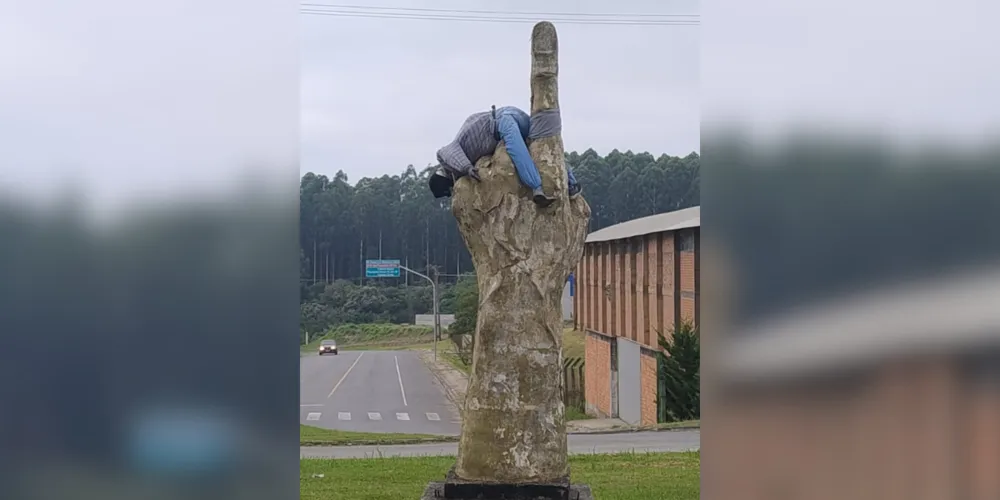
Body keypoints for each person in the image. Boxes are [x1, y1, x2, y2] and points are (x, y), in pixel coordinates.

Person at [429, 105, 582, 207]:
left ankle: (537, 188)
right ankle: (572, 182)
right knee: (544, 146)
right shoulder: (465, 150)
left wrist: (467, 168)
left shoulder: (447, 157)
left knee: (518, 152)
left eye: (449, 189)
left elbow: (447, 151)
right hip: (511, 117)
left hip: (503, 120)